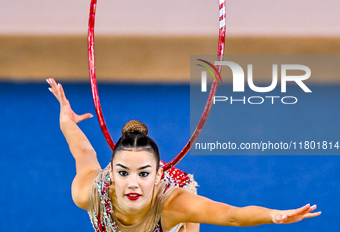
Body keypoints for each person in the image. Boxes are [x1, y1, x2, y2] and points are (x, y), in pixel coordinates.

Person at [47, 78, 321, 232]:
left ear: (157, 176)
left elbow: (232, 215)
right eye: (122, 173)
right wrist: (66, 121)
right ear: (111, 173)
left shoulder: (174, 204)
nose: (132, 183)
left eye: (143, 174)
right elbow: (84, 153)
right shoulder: (89, 193)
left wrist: (273, 215)